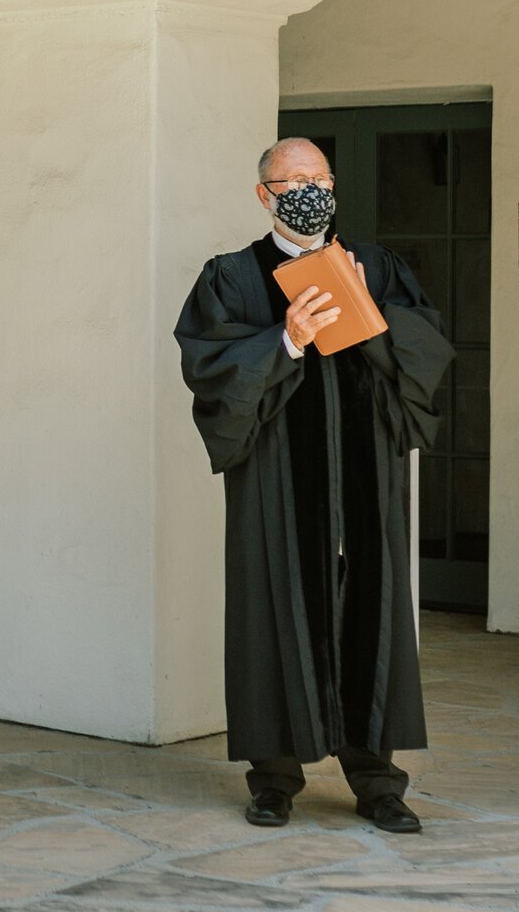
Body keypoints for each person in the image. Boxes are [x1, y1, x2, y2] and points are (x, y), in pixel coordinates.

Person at [174, 137, 450, 834]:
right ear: (264, 194)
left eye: (316, 177)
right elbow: (210, 368)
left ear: (333, 185)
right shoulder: (234, 277)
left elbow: (427, 348)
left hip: (367, 471)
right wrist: (288, 340)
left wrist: (370, 317)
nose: (305, 189)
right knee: (274, 605)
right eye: (289, 179)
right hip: (276, 477)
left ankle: (377, 780)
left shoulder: (375, 265)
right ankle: (273, 779)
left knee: (372, 606)